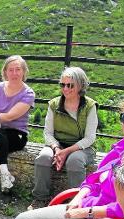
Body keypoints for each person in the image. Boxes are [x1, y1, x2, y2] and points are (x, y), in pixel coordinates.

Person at [28, 66, 98, 210]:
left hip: (82, 147)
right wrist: (56, 148)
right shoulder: (54, 104)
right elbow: (47, 133)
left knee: (75, 160)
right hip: (58, 144)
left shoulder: (89, 106)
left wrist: (66, 152)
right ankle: (40, 199)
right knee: (43, 157)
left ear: (80, 86)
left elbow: (90, 138)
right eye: (62, 85)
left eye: (70, 85)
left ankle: (77, 202)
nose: (65, 89)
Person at [0, 55, 35, 193]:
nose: (14, 73)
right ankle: (4, 175)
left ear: (24, 72)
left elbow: (10, 116)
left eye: (18, 69)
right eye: (10, 70)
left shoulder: (28, 93)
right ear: (5, 72)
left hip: (17, 134)